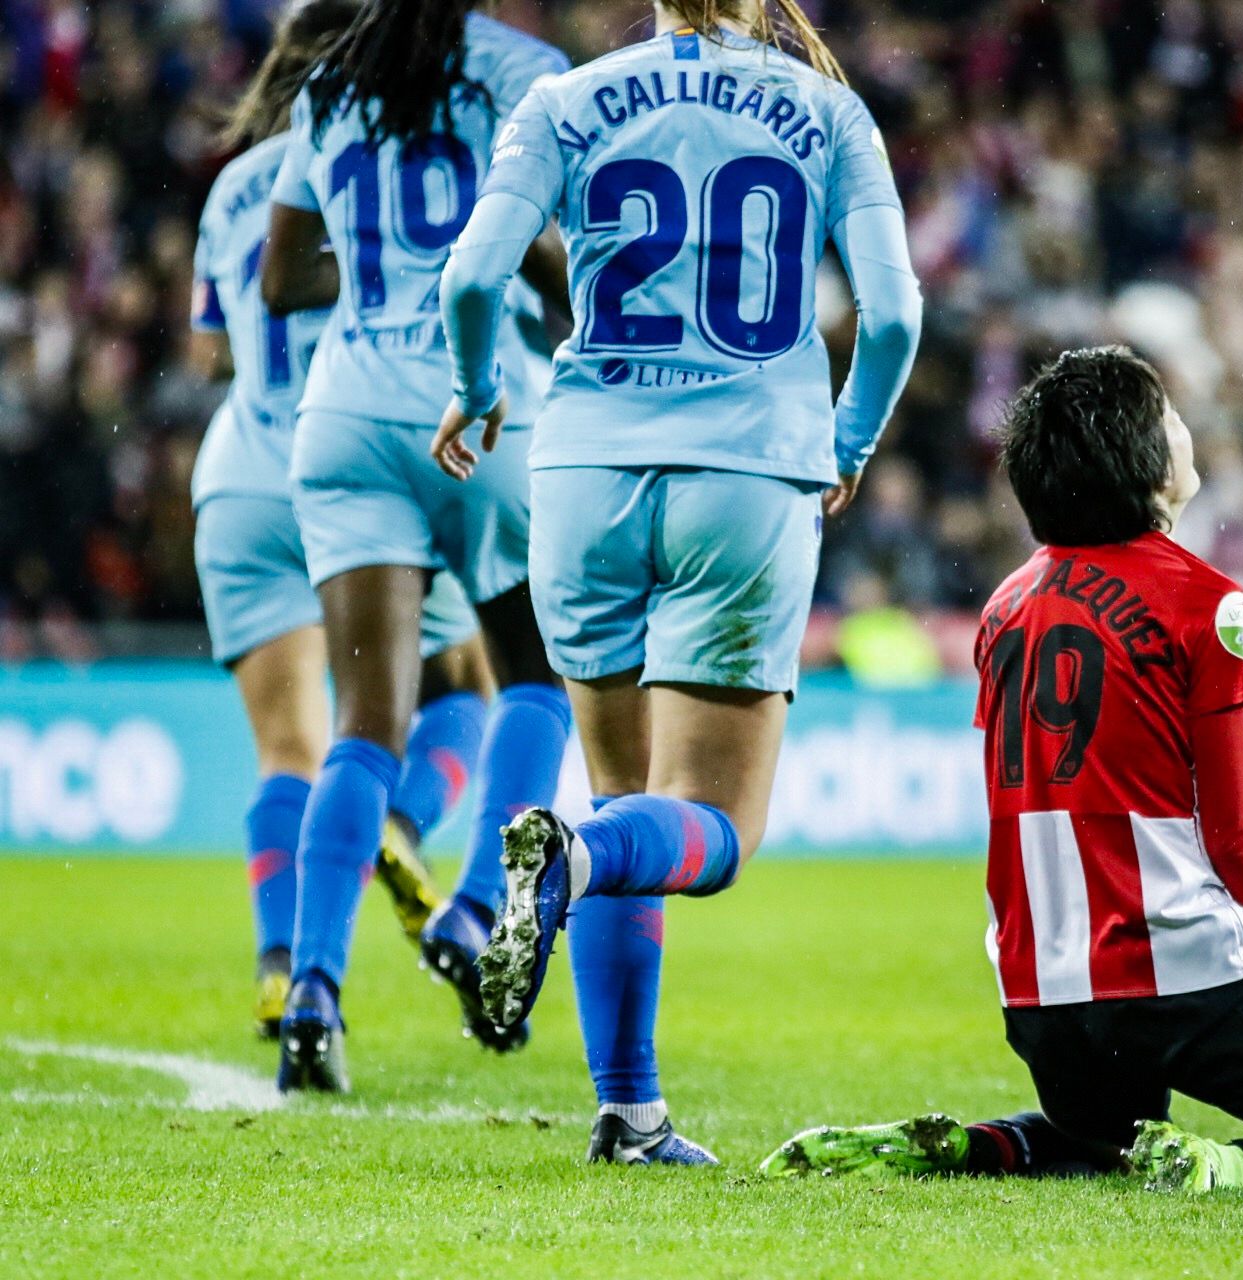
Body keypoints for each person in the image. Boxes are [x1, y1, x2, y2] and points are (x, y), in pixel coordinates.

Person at [760, 348, 1243, 1194]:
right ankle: (1232, 1168)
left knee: (1109, 1140)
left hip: (1042, 995)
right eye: (1171, 417)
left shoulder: (1003, 609)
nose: (1186, 432)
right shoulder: (1205, 600)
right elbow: (1237, 832)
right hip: (1183, 974)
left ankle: (969, 1147)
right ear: (1147, 461)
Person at [434, 0, 921, 1164]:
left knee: (619, 790)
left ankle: (629, 1110)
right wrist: (845, 445)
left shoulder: (564, 101)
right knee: (710, 827)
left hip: (582, 468)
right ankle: (572, 859)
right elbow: (896, 315)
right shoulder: (828, 108)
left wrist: (477, 387)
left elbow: (470, 280)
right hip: (746, 473)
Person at [259, 0, 575, 1091]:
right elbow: (545, 258)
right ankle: (481, 905)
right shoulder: (524, 70)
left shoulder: (329, 82)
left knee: (363, 726)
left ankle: (311, 994)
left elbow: (281, 280)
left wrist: (384, 265)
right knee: (535, 672)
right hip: (476, 405)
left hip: (343, 411)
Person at [189, 0, 499, 1040]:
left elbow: (212, 349)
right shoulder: (406, 139)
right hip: (362, 452)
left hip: (243, 477)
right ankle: (401, 829)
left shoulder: (235, 188)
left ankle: (285, 969)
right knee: (465, 683)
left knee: (292, 747)